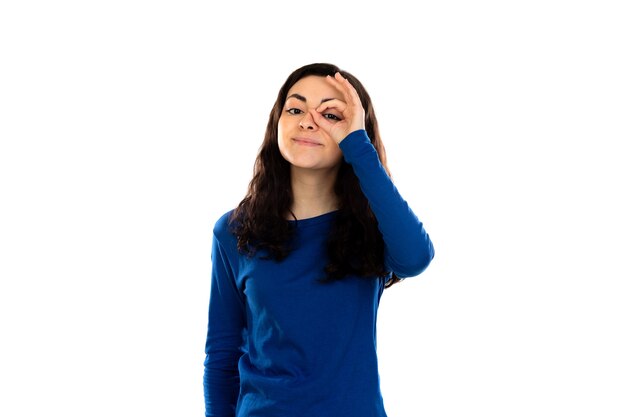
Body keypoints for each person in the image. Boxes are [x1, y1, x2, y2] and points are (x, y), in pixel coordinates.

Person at [203, 63, 435, 417]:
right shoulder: (234, 231)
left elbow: (416, 258)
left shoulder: (372, 226)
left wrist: (358, 145)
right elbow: (221, 355)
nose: (308, 121)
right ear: (277, 124)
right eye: (295, 109)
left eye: (330, 114)